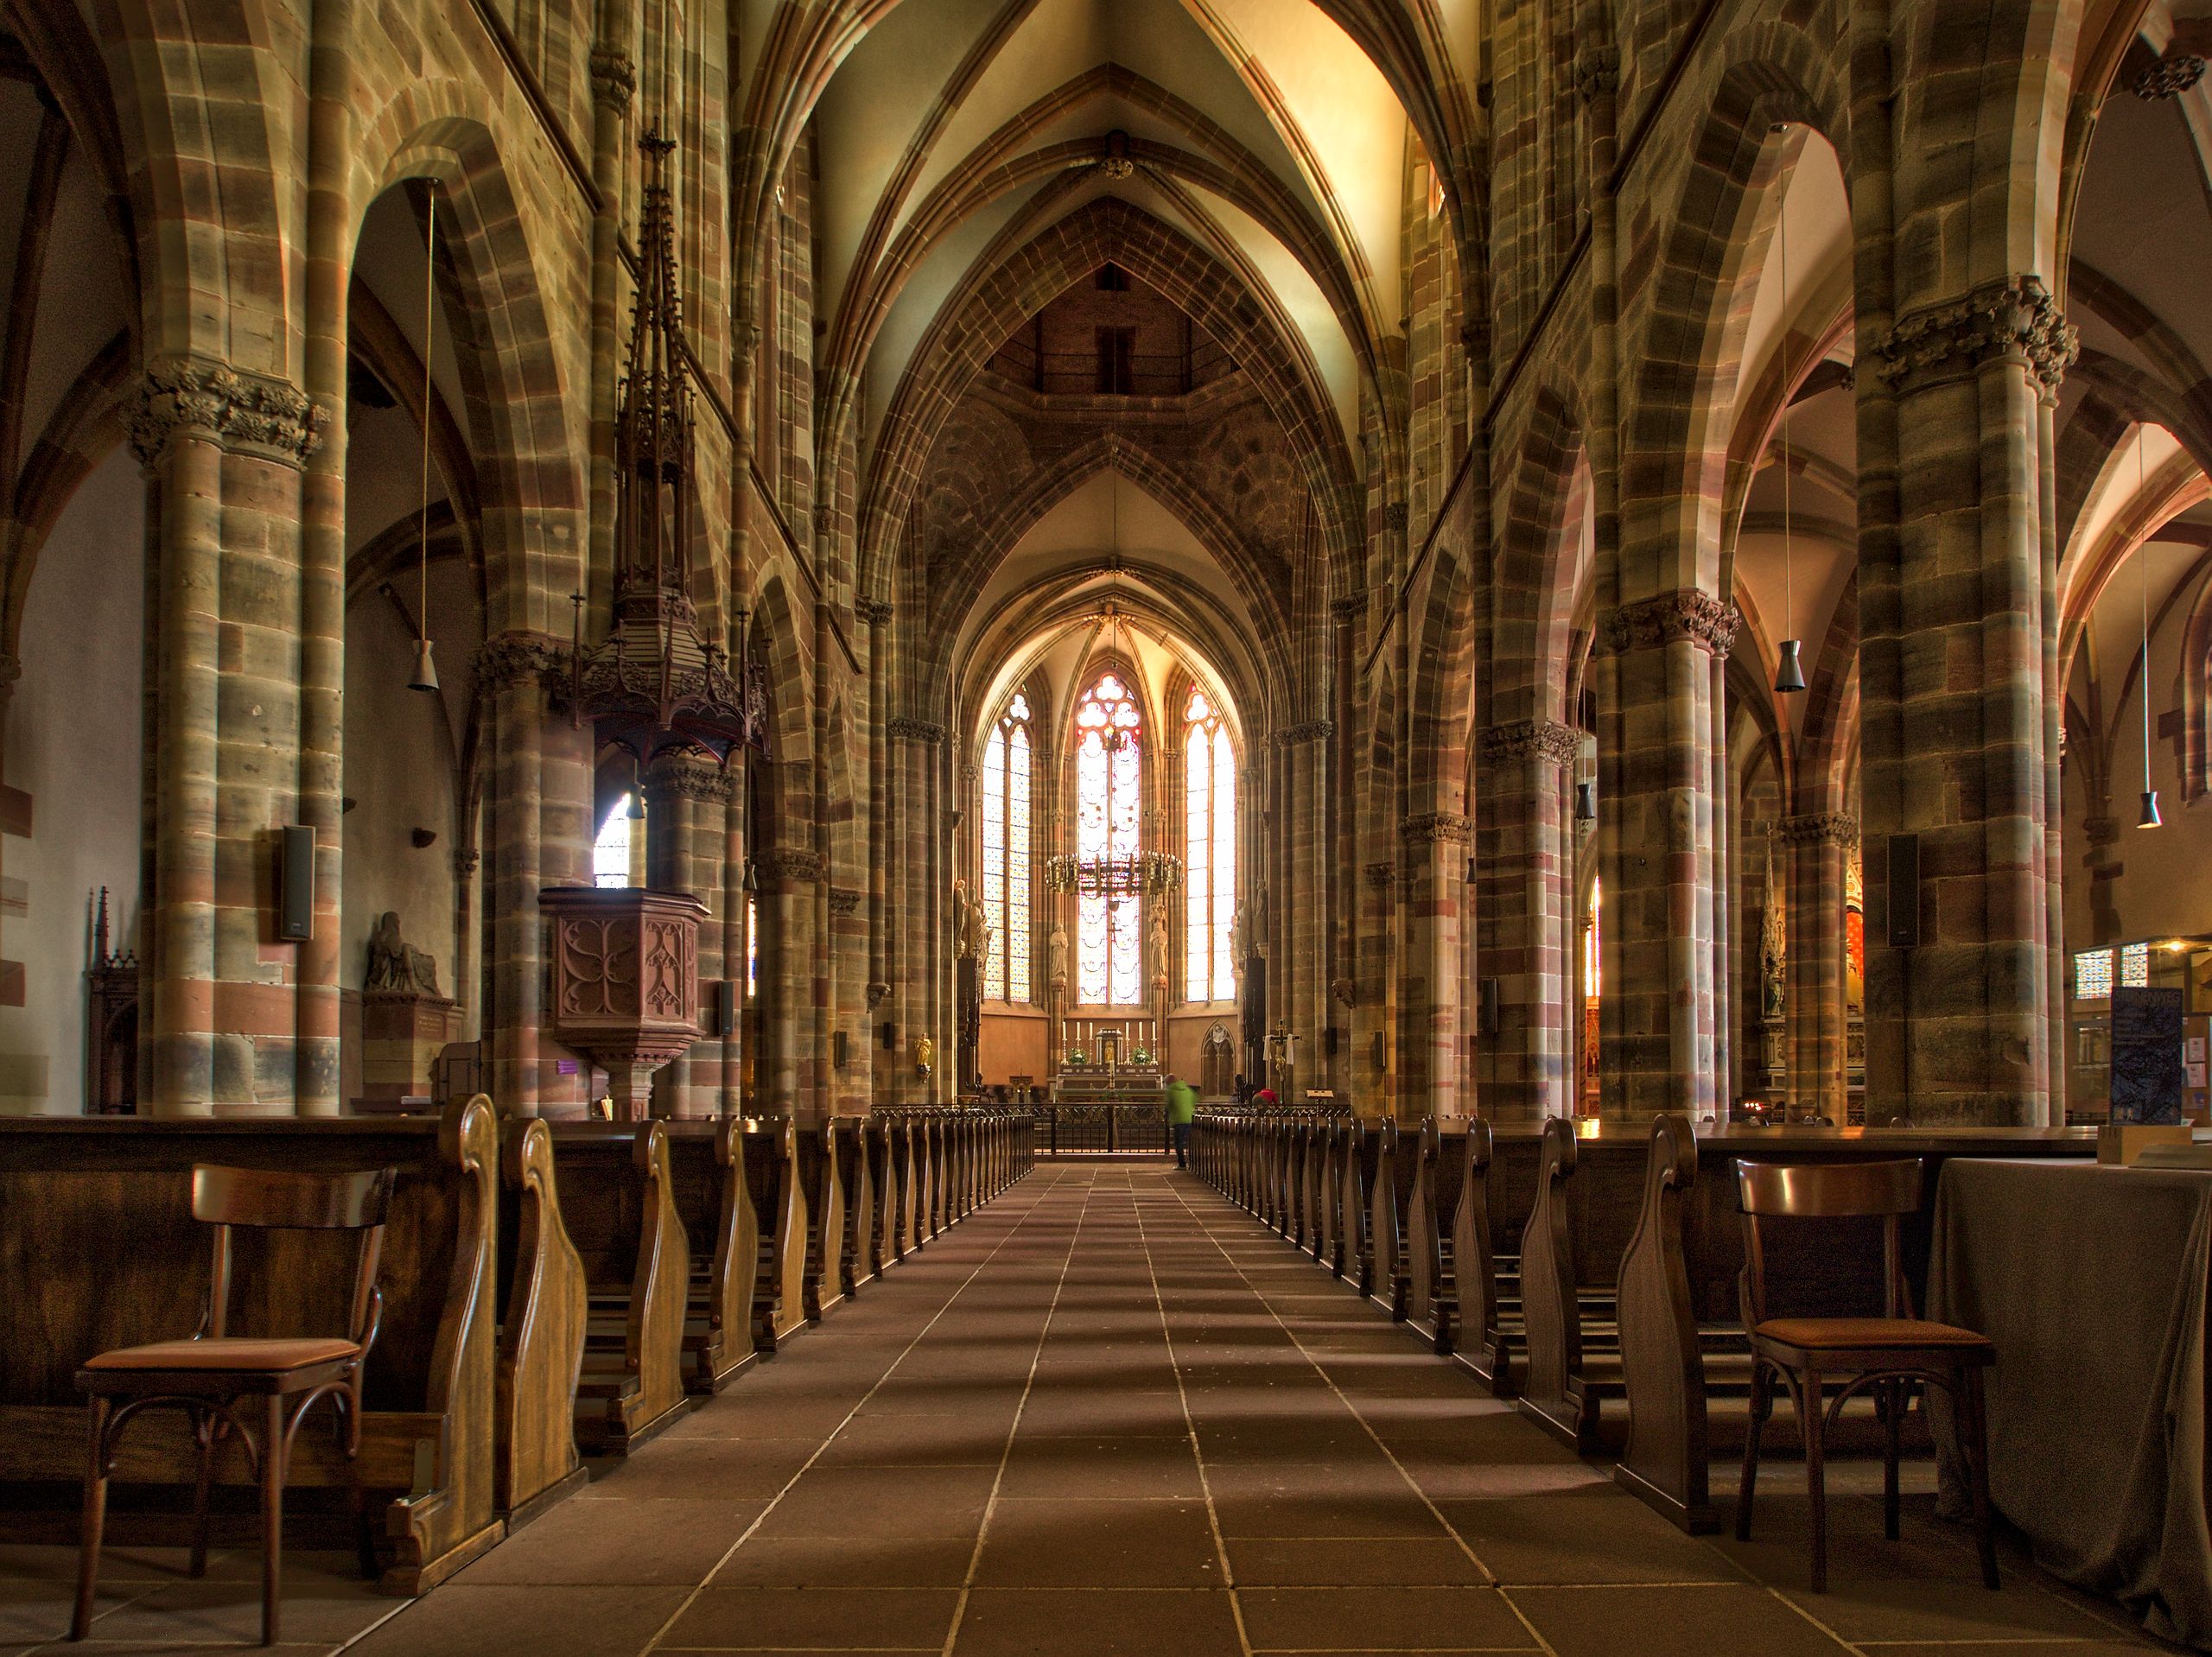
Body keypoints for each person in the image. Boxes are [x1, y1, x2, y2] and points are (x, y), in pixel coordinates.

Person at [1163, 1072, 1198, 1169]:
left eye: (1166, 1083)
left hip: (1178, 1119)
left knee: (1179, 1142)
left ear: (1169, 1083)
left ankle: (1182, 1164)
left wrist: (1167, 1116)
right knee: (1190, 1142)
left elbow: (1168, 1105)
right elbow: (1195, 1099)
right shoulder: (1187, 1089)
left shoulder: (1171, 1091)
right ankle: (1193, 1163)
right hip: (1189, 1118)